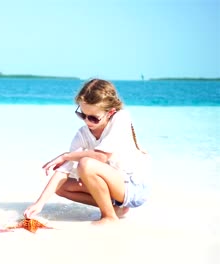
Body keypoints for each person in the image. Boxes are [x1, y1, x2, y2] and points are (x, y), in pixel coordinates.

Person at [24, 78, 151, 225]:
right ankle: (116, 209)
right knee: (61, 187)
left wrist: (66, 156)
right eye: (83, 115)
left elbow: (101, 157)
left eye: (93, 118)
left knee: (86, 164)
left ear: (110, 112)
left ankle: (109, 217)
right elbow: (63, 171)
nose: (87, 121)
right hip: (114, 189)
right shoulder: (82, 134)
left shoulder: (121, 118)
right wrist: (39, 204)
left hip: (133, 188)